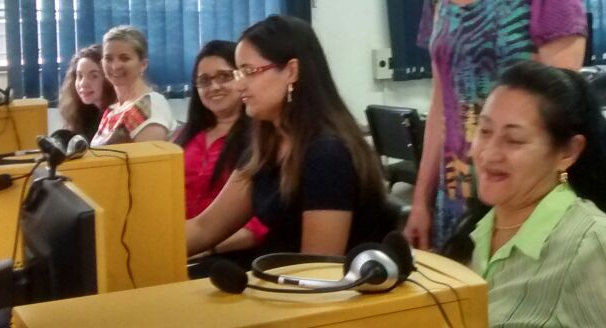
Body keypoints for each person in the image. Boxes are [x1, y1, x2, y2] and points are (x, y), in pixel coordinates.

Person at [406, 0, 589, 250]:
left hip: (522, 187)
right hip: (456, 186)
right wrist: (420, 199)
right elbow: (441, 103)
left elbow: (559, 108)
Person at [453, 61, 606, 327]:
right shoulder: (481, 227)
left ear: (567, 152)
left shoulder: (594, 245)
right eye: (484, 131)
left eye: (514, 140)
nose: (489, 153)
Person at [185, 15, 386, 256]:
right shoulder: (267, 143)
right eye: (239, 73)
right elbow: (205, 227)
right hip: (271, 270)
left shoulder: (327, 154)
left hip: (303, 277)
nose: (240, 86)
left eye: (249, 71)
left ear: (291, 71)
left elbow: (316, 266)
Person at [175, 40, 268, 257]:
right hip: (181, 245)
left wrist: (209, 249)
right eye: (204, 81)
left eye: (224, 76)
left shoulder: (261, 139)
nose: (214, 87)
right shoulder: (183, 135)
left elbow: (261, 222)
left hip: (230, 255)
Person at [91, 25, 176, 146]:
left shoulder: (150, 106)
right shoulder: (113, 110)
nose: (115, 66)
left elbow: (149, 158)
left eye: (124, 58)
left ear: (143, 64)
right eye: (109, 59)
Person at [57, 44, 115, 139]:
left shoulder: (118, 116)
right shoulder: (81, 113)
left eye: (93, 76)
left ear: (108, 79)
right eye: (80, 76)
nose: (83, 84)